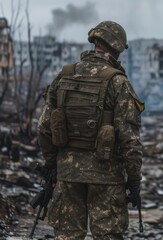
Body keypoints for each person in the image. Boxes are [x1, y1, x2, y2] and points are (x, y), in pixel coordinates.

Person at [37, 20, 144, 239]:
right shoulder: (118, 82)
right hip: (106, 178)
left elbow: (44, 127)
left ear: (95, 41)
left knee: (67, 235)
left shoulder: (64, 76)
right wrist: (134, 179)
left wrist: (52, 165)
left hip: (67, 174)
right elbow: (129, 139)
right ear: (116, 48)